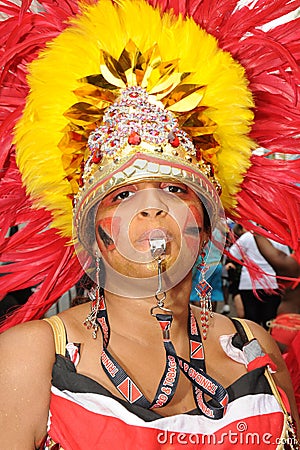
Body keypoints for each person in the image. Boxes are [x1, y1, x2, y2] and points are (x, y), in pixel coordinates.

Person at [1, 0, 300, 449]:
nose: (152, 208)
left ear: (204, 222)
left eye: (175, 190)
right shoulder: (33, 355)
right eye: (122, 195)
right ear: (91, 234)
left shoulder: (255, 345)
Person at [228, 230, 291, 329]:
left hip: (249, 284)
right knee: (270, 321)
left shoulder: (247, 237)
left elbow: (232, 254)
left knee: (252, 323)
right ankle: (269, 343)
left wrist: (245, 259)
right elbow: (286, 259)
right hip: (271, 284)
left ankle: (254, 343)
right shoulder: (278, 237)